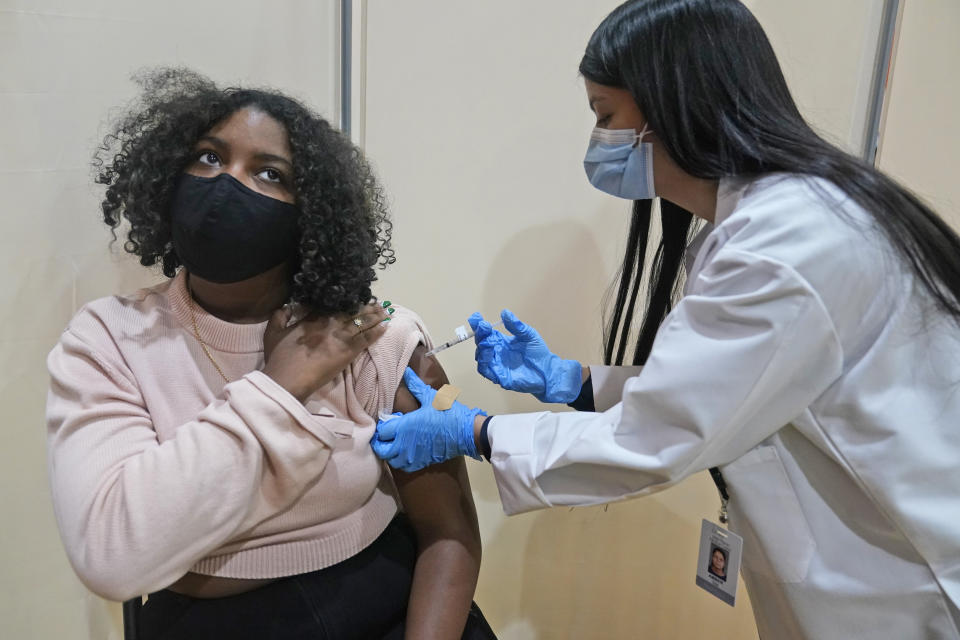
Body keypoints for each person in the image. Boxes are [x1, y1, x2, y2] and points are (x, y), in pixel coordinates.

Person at [371, 0, 960, 637]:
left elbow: (659, 437)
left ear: (674, 105)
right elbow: (728, 385)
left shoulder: (788, 244)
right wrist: (576, 382)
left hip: (906, 583)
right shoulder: (760, 228)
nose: (600, 142)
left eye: (605, 116)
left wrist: (476, 431)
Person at [46, 68, 495, 640]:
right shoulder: (110, 339)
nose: (227, 182)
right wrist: (281, 386)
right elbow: (112, 556)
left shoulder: (373, 340)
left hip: (389, 608)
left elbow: (448, 535)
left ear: (312, 216)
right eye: (209, 157)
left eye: (268, 173)